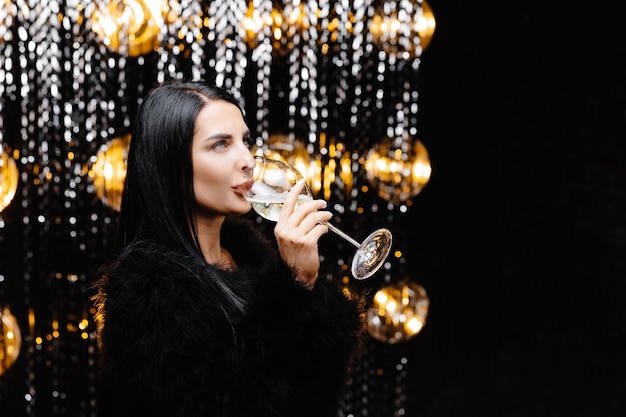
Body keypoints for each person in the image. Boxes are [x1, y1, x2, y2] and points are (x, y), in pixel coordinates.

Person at [91, 80, 366, 417]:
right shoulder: (147, 291)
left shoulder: (253, 261)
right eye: (221, 144)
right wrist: (294, 282)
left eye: (246, 141)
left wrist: (301, 286)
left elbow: (313, 394)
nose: (248, 160)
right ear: (171, 164)